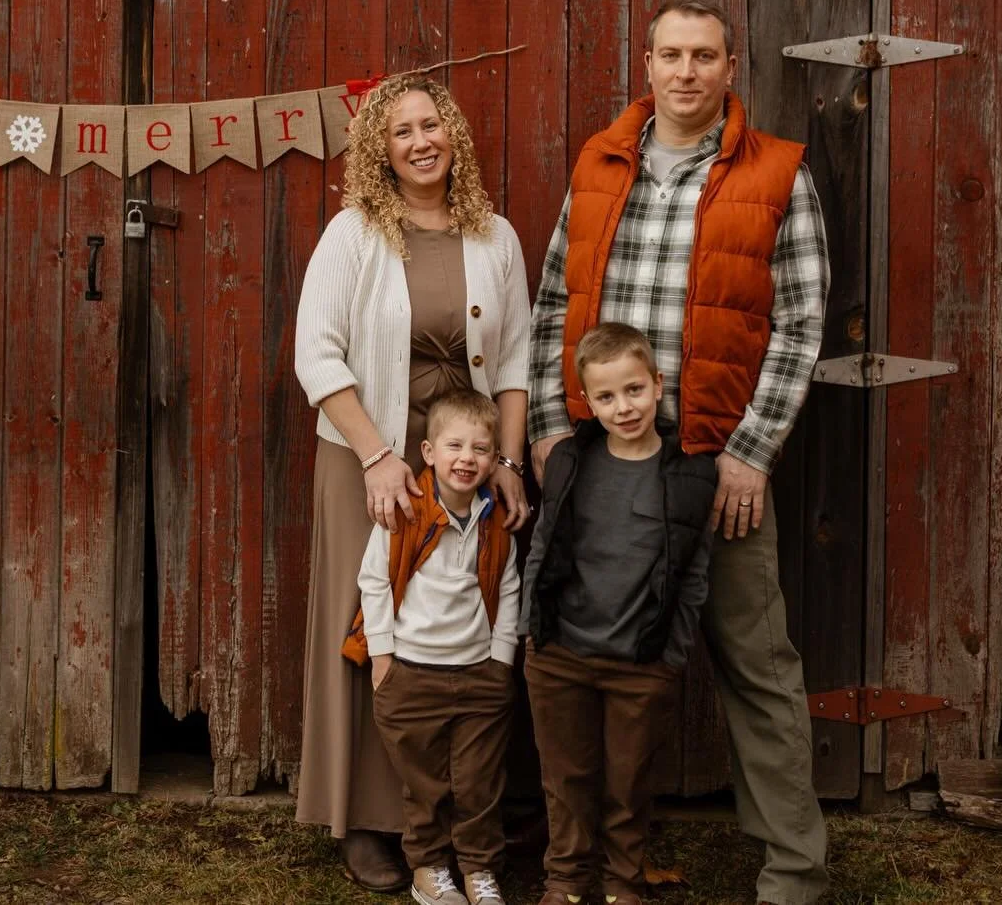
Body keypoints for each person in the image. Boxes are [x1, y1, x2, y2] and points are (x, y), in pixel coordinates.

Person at [527, 0, 831, 905]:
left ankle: (794, 868)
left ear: (731, 68)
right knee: (584, 653)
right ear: (647, 65)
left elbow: (801, 323)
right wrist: (550, 425)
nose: (686, 71)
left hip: (714, 459)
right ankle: (583, 866)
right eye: (671, 54)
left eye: (704, 56)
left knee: (755, 659)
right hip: (601, 464)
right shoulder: (599, 163)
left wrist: (752, 451)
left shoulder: (778, 174)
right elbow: (554, 306)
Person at [294, 75, 531, 892]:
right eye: (401, 131)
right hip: (369, 458)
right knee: (371, 622)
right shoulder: (354, 234)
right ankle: (366, 818)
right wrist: (375, 454)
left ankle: (457, 822)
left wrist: (506, 458)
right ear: (379, 150)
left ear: (453, 135)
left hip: (464, 468)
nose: (421, 140)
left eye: (433, 124)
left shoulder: (495, 236)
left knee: (462, 613)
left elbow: (515, 364)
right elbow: (316, 354)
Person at [521, 322, 715, 905]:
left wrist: (669, 656)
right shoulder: (568, 463)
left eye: (633, 390)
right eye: (605, 396)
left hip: (640, 662)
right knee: (566, 781)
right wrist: (534, 635)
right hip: (561, 655)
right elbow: (541, 547)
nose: (623, 407)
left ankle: (622, 883)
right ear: (587, 401)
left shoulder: (688, 473)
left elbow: (695, 574)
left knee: (628, 784)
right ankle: (567, 881)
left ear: (658, 385)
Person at [348, 389, 520, 905]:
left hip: (479, 674)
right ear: (428, 453)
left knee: (478, 784)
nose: (466, 458)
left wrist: (502, 659)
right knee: (425, 785)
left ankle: (480, 870)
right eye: (454, 446)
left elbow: (508, 587)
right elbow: (374, 581)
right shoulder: (406, 512)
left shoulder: (495, 521)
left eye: (480, 449)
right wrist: (382, 656)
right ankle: (428, 867)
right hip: (411, 673)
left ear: (494, 459)